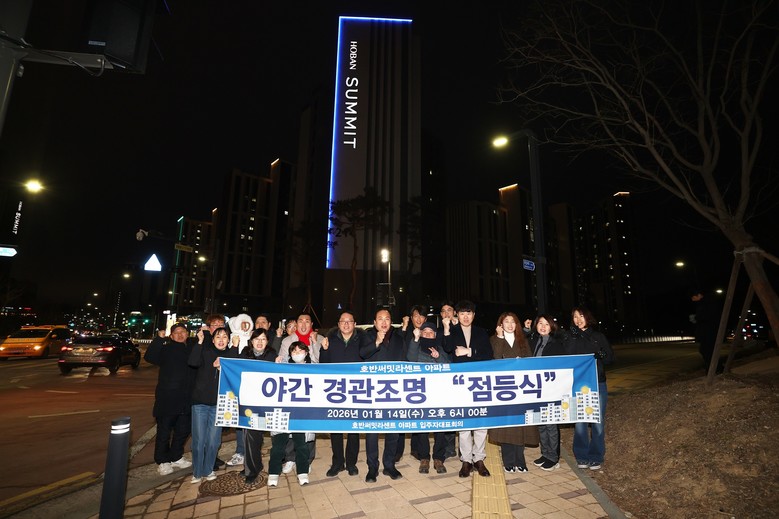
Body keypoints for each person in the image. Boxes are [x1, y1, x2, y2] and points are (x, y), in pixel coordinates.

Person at [442, 300, 493, 477]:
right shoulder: (453, 331)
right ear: (457, 315)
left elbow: (488, 354)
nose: (465, 317)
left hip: (479, 382)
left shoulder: (481, 332)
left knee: (480, 421)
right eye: (462, 313)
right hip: (460, 382)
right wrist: (447, 328)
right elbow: (447, 347)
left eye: (469, 313)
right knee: (464, 422)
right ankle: (466, 460)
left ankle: (479, 458)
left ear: (473, 315)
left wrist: (469, 351)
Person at [489, 312, 539, 473]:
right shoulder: (494, 339)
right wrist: (499, 337)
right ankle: (508, 461)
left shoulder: (522, 340)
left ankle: (520, 460)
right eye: (506, 322)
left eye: (513, 322)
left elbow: (530, 362)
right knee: (506, 425)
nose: (510, 325)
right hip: (504, 389)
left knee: (520, 424)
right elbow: (496, 359)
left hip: (521, 388)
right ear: (500, 324)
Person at [360, 308, 406, 482]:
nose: (384, 322)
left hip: (393, 390)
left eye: (387, 319)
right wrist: (377, 342)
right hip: (372, 391)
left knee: (393, 430)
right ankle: (372, 468)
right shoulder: (367, 336)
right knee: (372, 432)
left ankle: (389, 465)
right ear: (375, 322)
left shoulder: (398, 339)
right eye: (380, 319)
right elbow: (362, 354)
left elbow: (404, 362)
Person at [144, 323, 195, 476]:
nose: (180, 334)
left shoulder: (192, 349)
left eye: (183, 331)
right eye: (176, 332)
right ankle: (162, 461)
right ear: (171, 336)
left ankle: (176, 456)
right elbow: (149, 356)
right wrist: (159, 339)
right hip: (168, 398)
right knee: (164, 431)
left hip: (187, 399)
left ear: (187, 334)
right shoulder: (166, 349)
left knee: (183, 430)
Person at [188, 325, 236, 484]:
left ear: (228, 340)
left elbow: (236, 372)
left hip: (219, 405)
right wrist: (200, 342)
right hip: (200, 403)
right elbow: (192, 362)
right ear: (213, 340)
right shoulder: (206, 351)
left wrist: (234, 347)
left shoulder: (230, 355)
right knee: (199, 441)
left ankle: (208, 469)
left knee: (214, 441)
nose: (221, 340)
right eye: (218, 337)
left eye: (225, 337)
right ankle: (197, 472)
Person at [567, 307, 614, 471]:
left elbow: (610, 358)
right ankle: (581, 456)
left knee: (597, 422)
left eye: (581, 316)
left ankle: (596, 456)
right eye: (575, 317)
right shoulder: (571, 337)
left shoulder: (597, 336)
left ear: (588, 317)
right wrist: (574, 337)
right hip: (578, 385)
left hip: (597, 384)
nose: (578, 319)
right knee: (580, 422)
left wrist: (602, 355)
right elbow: (568, 356)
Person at [319, 310, 362, 477]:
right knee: (335, 427)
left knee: (353, 428)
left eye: (349, 321)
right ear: (338, 324)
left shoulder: (362, 339)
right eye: (343, 321)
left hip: (356, 390)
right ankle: (337, 463)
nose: (346, 324)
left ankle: (351, 463)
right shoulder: (330, 340)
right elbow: (323, 365)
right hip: (335, 390)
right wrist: (324, 350)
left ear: (354, 324)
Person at [267, 340, 312, 487]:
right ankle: (273, 473)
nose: (297, 354)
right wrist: (276, 367)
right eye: (294, 351)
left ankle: (303, 472)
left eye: (300, 351)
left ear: (306, 352)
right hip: (283, 412)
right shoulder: (283, 368)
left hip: (301, 413)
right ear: (290, 354)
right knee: (278, 446)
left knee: (301, 445)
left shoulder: (313, 369)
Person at [407, 321, 450, 474]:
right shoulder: (416, 347)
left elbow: (449, 366)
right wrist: (415, 339)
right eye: (424, 332)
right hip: (421, 395)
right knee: (422, 427)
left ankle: (438, 457)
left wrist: (438, 358)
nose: (427, 334)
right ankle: (424, 457)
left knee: (440, 427)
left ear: (435, 335)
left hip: (439, 394)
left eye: (430, 332)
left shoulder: (440, 348)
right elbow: (410, 360)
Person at [528, 315, 569, 471]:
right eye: (540, 323)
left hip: (551, 388)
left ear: (552, 327)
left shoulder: (557, 344)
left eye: (546, 324)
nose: (543, 326)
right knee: (541, 422)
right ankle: (545, 453)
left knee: (551, 423)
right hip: (537, 389)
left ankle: (553, 457)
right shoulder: (533, 341)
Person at [241, 329, 277, 485]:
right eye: (257, 339)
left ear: (267, 341)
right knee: (250, 435)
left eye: (263, 339)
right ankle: (251, 469)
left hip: (268, 403)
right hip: (250, 402)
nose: (260, 342)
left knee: (276, 435)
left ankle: (279, 463)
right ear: (251, 341)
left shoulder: (272, 355)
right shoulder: (244, 353)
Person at [438, 301, 458, 459]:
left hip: (460, 375)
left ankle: (454, 446)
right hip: (444, 375)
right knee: (446, 411)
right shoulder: (438, 332)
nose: (446, 313)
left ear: (455, 312)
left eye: (449, 310)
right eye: (443, 311)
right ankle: (446, 446)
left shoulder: (462, 328)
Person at [690, 290, 724, 373]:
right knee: (706, 351)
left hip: (709, 332)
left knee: (707, 351)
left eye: (693, 297)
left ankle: (715, 369)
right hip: (707, 332)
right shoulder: (705, 303)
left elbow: (708, 316)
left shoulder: (707, 303)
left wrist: (696, 317)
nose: (692, 300)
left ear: (699, 295)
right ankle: (714, 369)